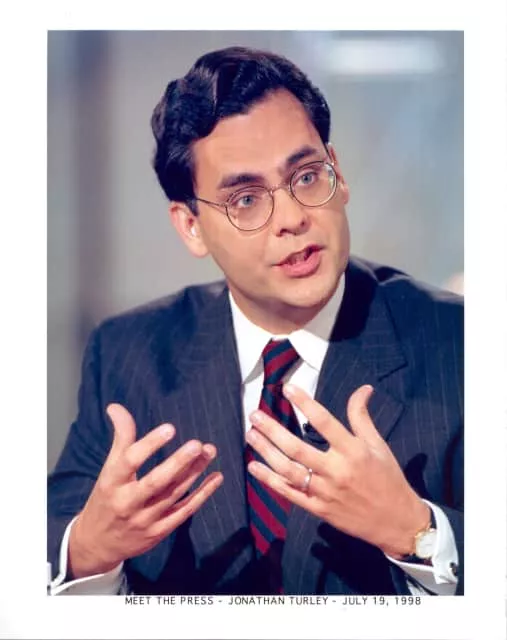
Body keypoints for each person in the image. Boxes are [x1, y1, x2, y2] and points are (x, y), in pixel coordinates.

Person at [47, 46, 463, 596]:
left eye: (307, 177)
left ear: (337, 174)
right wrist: (87, 551)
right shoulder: (129, 354)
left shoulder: (460, 343)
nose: (292, 217)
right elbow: (53, 541)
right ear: (191, 226)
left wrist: (417, 532)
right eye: (245, 200)